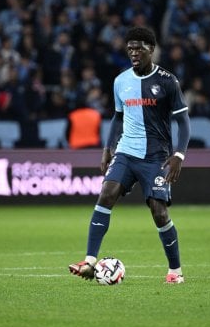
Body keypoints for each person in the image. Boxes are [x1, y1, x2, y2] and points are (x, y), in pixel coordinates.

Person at [68, 27, 191, 284]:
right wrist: (107, 148)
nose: (134, 53)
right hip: (126, 151)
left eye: (139, 48)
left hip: (156, 157)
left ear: (151, 49)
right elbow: (118, 116)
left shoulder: (168, 81)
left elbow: (183, 121)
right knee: (106, 193)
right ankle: (90, 261)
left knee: (159, 211)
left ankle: (175, 271)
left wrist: (178, 154)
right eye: (130, 49)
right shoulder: (120, 81)